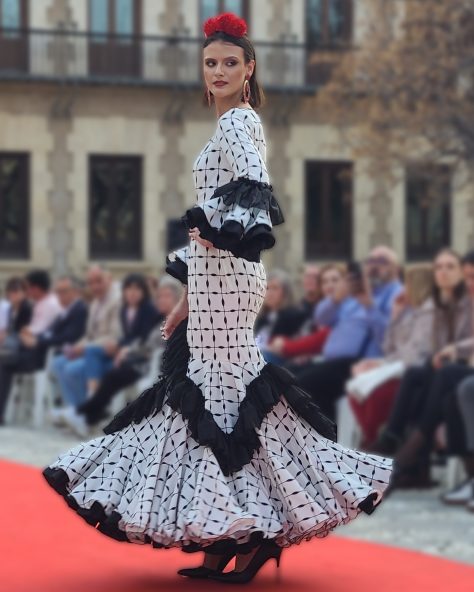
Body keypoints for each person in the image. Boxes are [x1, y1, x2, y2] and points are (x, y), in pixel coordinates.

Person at [42, 12, 393, 585]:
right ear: (203, 70)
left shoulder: (237, 126)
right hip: (217, 278)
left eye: (231, 62)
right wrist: (189, 290)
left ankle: (252, 530)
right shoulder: (232, 123)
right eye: (211, 63)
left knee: (221, 393)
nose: (220, 71)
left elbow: (251, 191)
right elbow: (219, 216)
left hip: (230, 276)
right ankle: (233, 532)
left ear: (249, 68)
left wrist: (217, 233)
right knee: (217, 393)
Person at [372, 248, 473, 488]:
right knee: (419, 376)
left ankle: (405, 458)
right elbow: (408, 345)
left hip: (458, 367)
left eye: (450, 267)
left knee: (435, 376)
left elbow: (454, 345)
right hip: (448, 367)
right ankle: (401, 449)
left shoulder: (465, 304)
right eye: (439, 267)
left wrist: (454, 350)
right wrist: (398, 316)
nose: (444, 273)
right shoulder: (439, 304)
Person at [54, 276, 181, 437]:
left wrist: (128, 351)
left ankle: (83, 413)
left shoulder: (174, 321)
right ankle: (86, 415)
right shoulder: (160, 319)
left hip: (151, 366)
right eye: (160, 296)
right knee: (104, 368)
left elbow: (153, 347)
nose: (161, 300)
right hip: (140, 361)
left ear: (177, 298)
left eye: (166, 296)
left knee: (113, 375)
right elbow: (142, 342)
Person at [50, 264, 121, 410]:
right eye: (90, 282)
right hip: (91, 350)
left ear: (109, 279)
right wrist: (77, 346)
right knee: (57, 363)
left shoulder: (118, 300)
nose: (95, 286)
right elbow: (89, 335)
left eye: (98, 281)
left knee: (72, 369)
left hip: (107, 355)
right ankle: (74, 409)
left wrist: (85, 347)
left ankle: (86, 413)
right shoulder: (95, 303)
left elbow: (115, 336)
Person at [0, 271, 62, 425]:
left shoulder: (49, 304)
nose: (27, 292)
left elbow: (37, 333)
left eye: (28, 288)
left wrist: (22, 334)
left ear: (36, 287)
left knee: (3, 363)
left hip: (38, 355)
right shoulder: (39, 303)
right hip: (26, 350)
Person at [254, 268, 308, 363]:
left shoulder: (295, 315)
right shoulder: (262, 317)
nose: (269, 293)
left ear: (286, 292)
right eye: (267, 288)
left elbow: (292, 349)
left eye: (275, 288)